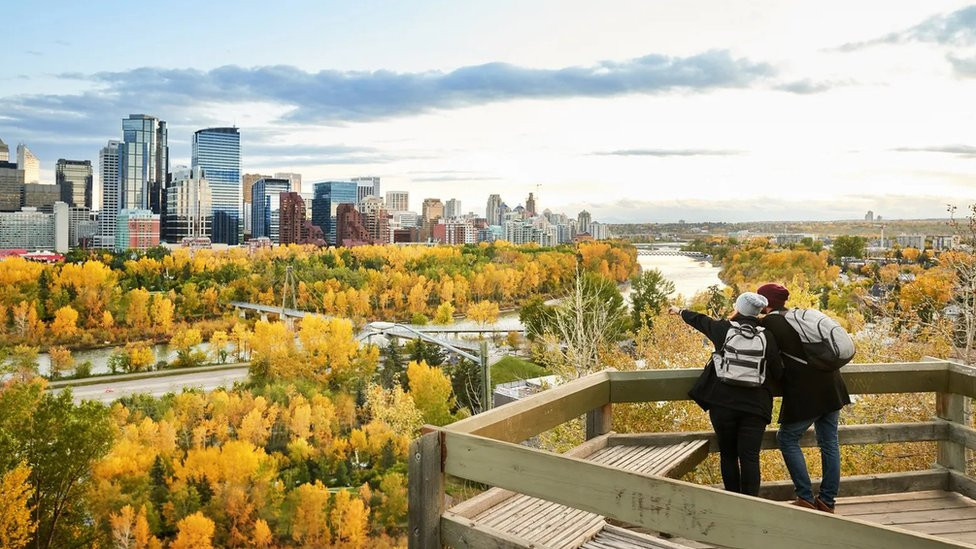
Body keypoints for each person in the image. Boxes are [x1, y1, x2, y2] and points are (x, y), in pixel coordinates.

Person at [669, 293, 783, 496]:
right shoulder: (767, 336)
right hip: (755, 407)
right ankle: (751, 505)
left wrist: (680, 311)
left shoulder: (724, 329)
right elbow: (778, 371)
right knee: (750, 458)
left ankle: (732, 502)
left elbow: (700, 320)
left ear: (738, 308)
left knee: (728, 455)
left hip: (723, 404)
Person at [757, 283, 851, 513]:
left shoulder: (770, 322)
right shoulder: (797, 317)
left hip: (806, 392)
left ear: (766, 303)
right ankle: (827, 501)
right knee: (829, 443)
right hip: (832, 386)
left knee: (787, 439)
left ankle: (805, 497)